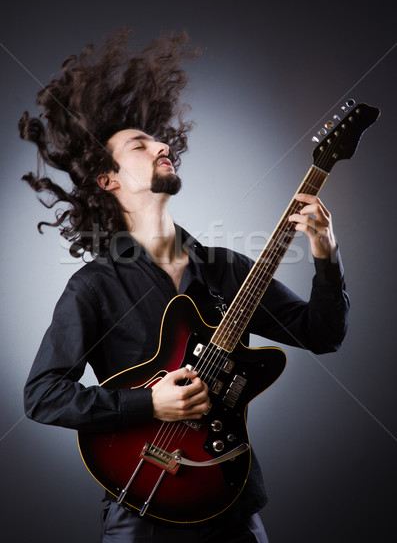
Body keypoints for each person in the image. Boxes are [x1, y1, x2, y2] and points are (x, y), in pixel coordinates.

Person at [21, 30, 349, 543]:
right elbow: (43, 396)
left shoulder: (228, 269)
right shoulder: (93, 287)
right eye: (140, 144)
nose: (162, 145)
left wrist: (327, 258)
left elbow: (322, 334)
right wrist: (148, 406)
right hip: (140, 503)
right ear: (109, 180)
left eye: (159, 139)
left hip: (230, 498)